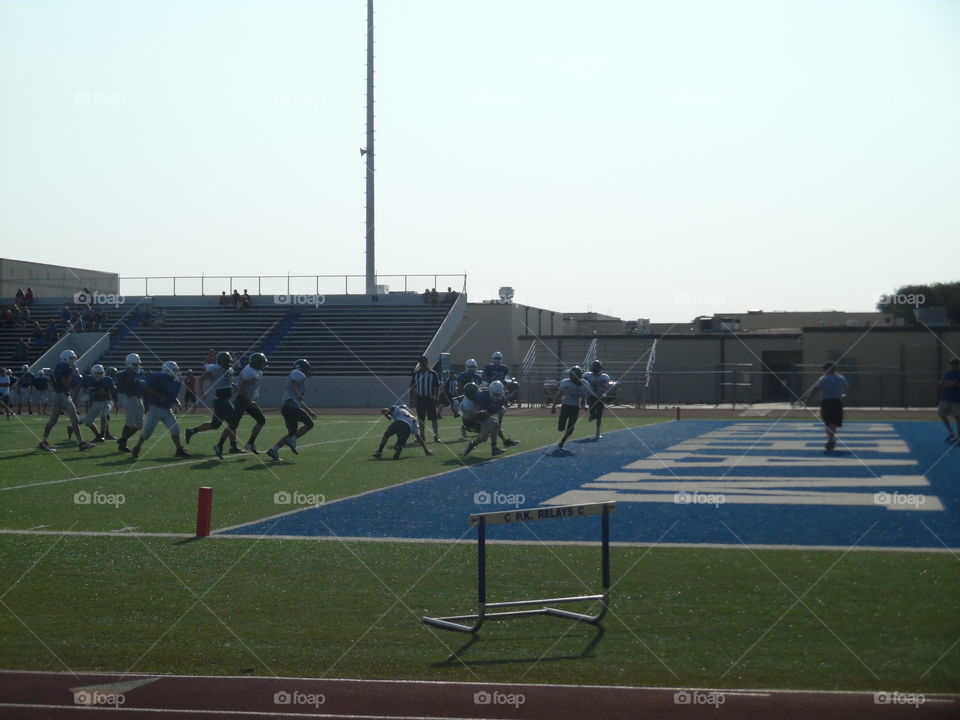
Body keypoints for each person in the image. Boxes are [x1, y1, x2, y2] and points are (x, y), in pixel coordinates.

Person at [185, 351, 242, 454]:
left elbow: (225, 381)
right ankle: (232, 446)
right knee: (233, 422)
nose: (229, 363)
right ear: (221, 361)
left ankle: (192, 431)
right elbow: (201, 379)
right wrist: (202, 392)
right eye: (227, 361)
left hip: (222, 400)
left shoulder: (228, 370)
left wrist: (233, 386)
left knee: (215, 425)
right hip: (221, 400)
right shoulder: (216, 369)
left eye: (229, 361)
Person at [38, 350, 95, 452]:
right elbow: (65, 383)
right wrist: (72, 374)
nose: (73, 360)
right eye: (71, 358)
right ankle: (43, 441)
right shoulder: (61, 367)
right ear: (65, 358)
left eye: (74, 358)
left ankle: (81, 442)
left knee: (75, 419)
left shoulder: (66, 367)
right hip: (59, 396)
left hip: (65, 395)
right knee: (53, 420)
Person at [131, 361, 189, 458]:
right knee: (146, 433)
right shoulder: (158, 377)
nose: (176, 372)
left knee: (175, 429)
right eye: (174, 370)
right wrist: (159, 396)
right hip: (155, 409)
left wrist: (177, 402)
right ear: (167, 370)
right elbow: (146, 387)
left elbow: (172, 396)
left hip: (167, 410)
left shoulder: (176, 382)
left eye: (176, 370)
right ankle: (137, 447)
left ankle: (179, 449)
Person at [215, 352, 267, 457]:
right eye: (262, 363)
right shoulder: (249, 372)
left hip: (247, 400)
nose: (264, 365)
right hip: (242, 400)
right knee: (233, 424)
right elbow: (241, 388)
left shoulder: (255, 370)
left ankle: (250, 443)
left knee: (261, 420)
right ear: (257, 363)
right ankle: (219, 445)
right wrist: (250, 401)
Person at [266, 359, 317, 461]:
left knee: (291, 433)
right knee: (309, 424)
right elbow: (294, 384)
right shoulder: (298, 374)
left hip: (287, 407)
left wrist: (309, 411)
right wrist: (298, 393)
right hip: (291, 407)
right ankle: (292, 440)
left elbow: (297, 400)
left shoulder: (298, 376)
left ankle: (274, 450)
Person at [803, 362, 849, 451]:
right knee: (833, 423)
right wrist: (842, 395)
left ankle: (830, 439)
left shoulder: (824, 379)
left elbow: (815, 389)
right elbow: (846, 390)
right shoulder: (841, 378)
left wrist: (808, 399)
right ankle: (831, 439)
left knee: (828, 422)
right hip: (837, 402)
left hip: (827, 402)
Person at [550, 366, 591, 453]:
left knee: (571, 427)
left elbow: (583, 398)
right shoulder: (566, 382)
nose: (573, 378)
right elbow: (559, 394)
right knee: (561, 427)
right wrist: (553, 406)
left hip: (575, 407)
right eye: (572, 375)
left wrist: (584, 406)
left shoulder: (584, 384)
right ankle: (561, 429)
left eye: (575, 376)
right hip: (565, 405)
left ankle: (562, 442)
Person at [460, 383, 503, 456]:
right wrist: (488, 411)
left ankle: (472, 444)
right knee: (495, 426)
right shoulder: (468, 404)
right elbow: (476, 414)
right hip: (473, 419)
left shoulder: (474, 396)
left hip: (477, 417)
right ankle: (494, 449)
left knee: (484, 437)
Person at [116, 353, 146, 452]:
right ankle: (123, 444)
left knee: (140, 425)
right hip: (130, 399)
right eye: (134, 364)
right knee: (129, 424)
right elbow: (121, 388)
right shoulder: (123, 374)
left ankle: (123, 440)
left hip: (139, 399)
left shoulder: (141, 372)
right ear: (128, 364)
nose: (137, 366)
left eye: (138, 364)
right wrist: (129, 378)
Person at [81, 364, 117, 441]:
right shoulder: (88, 379)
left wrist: (107, 392)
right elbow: (84, 389)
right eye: (97, 373)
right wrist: (87, 395)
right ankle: (98, 436)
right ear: (92, 373)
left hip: (106, 401)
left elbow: (114, 390)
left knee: (103, 415)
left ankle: (102, 434)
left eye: (100, 373)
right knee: (88, 421)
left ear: (103, 373)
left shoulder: (107, 380)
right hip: (95, 402)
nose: (98, 375)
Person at [410, 355, 441, 442]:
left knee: (434, 418)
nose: (423, 364)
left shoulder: (433, 374)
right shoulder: (416, 374)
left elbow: (436, 387)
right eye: (421, 362)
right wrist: (412, 399)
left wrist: (436, 398)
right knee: (421, 419)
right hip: (420, 399)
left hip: (430, 398)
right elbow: (412, 387)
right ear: (419, 364)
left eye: (424, 362)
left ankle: (436, 435)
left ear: (427, 363)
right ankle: (422, 436)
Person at [486, 380, 519, 448]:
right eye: (496, 394)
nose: (497, 396)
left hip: (486, 413)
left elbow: (500, 409)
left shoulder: (502, 398)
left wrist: (499, 423)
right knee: (485, 434)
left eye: (498, 394)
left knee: (496, 426)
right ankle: (495, 447)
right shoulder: (484, 397)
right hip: (477, 414)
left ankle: (505, 442)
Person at [584, 360, 612, 440]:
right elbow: (582, 382)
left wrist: (605, 390)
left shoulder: (605, 376)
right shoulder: (587, 375)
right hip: (592, 396)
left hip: (601, 397)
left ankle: (598, 431)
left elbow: (607, 387)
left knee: (599, 415)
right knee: (592, 411)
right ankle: (592, 416)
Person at [937, 357, 960, 443]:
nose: (952, 365)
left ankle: (958, 436)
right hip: (946, 398)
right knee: (941, 413)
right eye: (951, 363)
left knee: (957, 417)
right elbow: (941, 382)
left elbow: (954, 383)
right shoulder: (947, 373)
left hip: (956, 399)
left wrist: (947, 383)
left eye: (954, 363)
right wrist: (948, 383)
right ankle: (951, 432)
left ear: (957, 365)